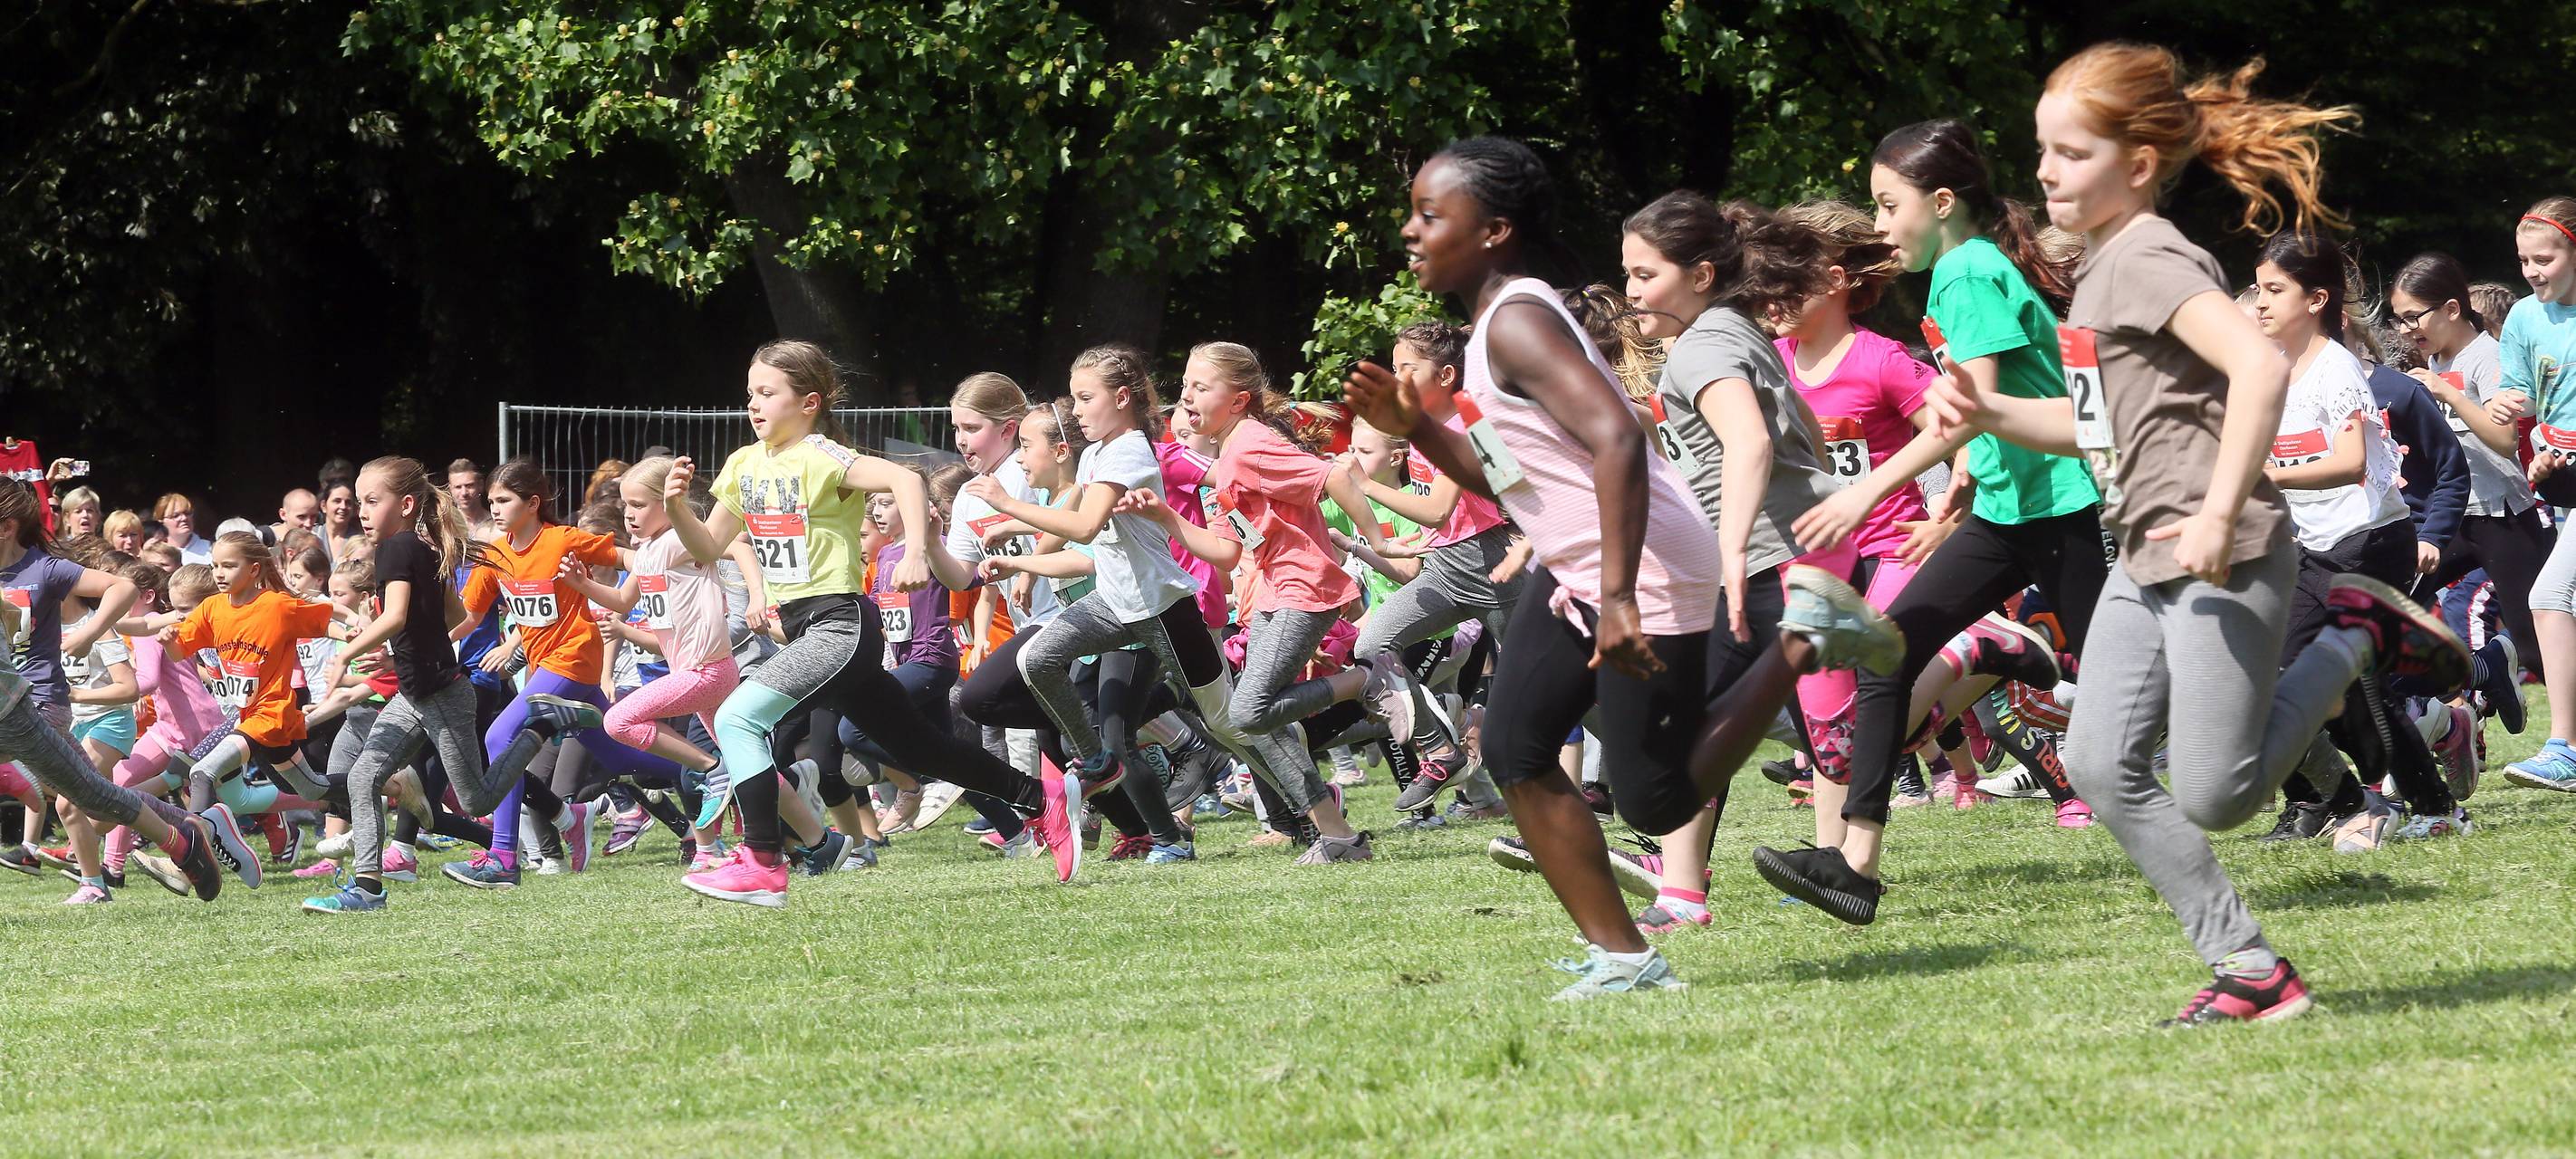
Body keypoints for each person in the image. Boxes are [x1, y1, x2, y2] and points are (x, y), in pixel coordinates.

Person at [1929, 40, 2468, 1024]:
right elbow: (2098, 426)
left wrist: (2219, 510)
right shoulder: (2098, 273)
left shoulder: (2149, 255)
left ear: (2138, 164)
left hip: (2225, 549)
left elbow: (2257, 369)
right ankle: (2251, 968)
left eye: (2071, 152)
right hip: (2147, 551)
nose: (2045, 170)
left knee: (2222, 793)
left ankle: (2359, 629)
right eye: (2042, 149)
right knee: (2100, 763)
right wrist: (1989, 412)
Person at [1342, 137, 1896, 998]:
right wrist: (1415, 427)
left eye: (1430, 214)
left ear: (1493, 230)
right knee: (1518, 752)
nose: (1411, 232)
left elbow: (1618, 442)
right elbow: (1505, 476)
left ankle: (1805, 635)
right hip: (1580, 565)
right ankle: (1627, 960)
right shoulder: (1496, 330)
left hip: (1639, 567)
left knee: (1655, 800)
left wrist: (1616, 598)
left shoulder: (1519, 321)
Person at [1759, 119, 2097, 922]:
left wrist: (1866, 492)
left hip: (2065, 507)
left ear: (1941, 202)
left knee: (2139, 680)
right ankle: (1854, 866)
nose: (1881, 226)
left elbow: (1971, 407)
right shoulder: (1963, 270)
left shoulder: (1966, 270)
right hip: (2009, 512)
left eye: (1888, 205)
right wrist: (1968, 484)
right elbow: (1989, 402)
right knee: (1888, 654)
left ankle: (2339, 735)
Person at [664, 340, 1083, 906]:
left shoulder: (822, 455)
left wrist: (915, 552)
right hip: (807, 630)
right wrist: (676, 508)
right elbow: (708, 547)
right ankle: (1042, 799)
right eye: (749, 394)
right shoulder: (743, 465)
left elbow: (907, 481)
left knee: (737, 718)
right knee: (922, 748)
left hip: (839, 625)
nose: (753, 405)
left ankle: (762, 862)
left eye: (767, 393)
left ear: (809, 403)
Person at [0, 481, 236, 902]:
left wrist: (89, 632)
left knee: (88, 797)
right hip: (17, 705)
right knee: (92, 799)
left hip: (38, 703)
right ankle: (190, 827)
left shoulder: (44, 569)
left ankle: (164, 849)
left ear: (6, 528)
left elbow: (123, 589)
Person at [2394, 251, 2545, 730]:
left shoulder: (2488, 356)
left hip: (2505, 517)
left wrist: (2449, 394)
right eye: (2399, 320)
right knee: (2394, 603)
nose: (2406, 330)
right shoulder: (2433, 361)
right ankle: (2473, 683)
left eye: (2413, 317)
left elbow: (2505, 440)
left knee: (2537, 647)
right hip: (2451, 518)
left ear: (2452, 309)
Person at [2494, 196, 2576, 791]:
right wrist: (2507, 405)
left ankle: (2564, 749)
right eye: (2524, 261)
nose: (2531, 272)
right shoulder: (2524, 317)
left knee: (2550, 597)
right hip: (2564, 485)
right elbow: (2521, 394)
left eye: (2544, 259)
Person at [155, 493, 213, 564]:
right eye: (176, 516)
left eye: (187, 513)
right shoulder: (154, 553)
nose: (184, 518)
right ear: (162, 522)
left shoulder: (210, 549)